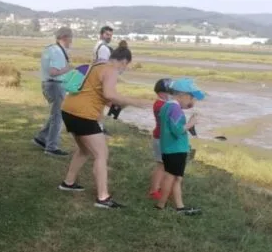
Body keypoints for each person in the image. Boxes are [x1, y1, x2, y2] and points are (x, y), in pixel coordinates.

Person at [58, 45, 150, 209]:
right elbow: (109, 94)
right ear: (123, 61)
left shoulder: (96, 65)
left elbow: (98, 94)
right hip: (83, 115)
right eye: (126, 65)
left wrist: (117, 104)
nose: (124, 69)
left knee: (85, 150)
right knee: (101, 154)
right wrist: (135, 102)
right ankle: (103, 197)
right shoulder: (111, 70)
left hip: (68, 110)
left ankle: (68, 182)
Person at [155, 78, 204, 215]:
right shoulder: (175, 108)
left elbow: (171, 127)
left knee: (176, 178)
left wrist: (187, 124)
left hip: (170, 148)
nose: (191, 102)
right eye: (191, 98)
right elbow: (177, 130)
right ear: (182, 95)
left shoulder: (166, 106)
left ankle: (179, 207)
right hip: (175, 149)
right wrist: (190, 123)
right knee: (171, 177)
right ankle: (161, 205)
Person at [33, 27, 74, 156]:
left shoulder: (49, 48)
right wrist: (67, 69)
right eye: (71, 38)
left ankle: (41, 138)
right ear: (65, 37)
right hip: (55, 85)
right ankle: (51, 147)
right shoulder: (57, 52)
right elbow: (53, 72)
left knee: (54, 115)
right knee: (58, 117)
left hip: (48, 84)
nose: (71, 41)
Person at [148, 78, 172, 200]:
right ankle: (154, 190)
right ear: (162, 93)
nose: (171, 95)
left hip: (162, 138)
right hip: (160, 139)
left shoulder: (164, 104)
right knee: (161, 166)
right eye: (169, 92)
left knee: (164, 165)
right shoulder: (160, 105)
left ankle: (161, 187)